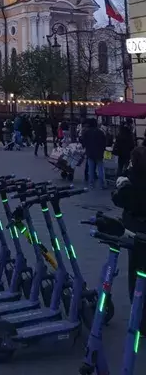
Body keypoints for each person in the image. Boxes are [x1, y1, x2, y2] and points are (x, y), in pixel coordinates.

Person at [112, 146, 146, 336]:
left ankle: (139, 318)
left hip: (135, 229)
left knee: (136, 272)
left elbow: (118, 199)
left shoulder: (130, 178)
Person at [81, 118, 107, 189]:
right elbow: (104, 142)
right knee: (100, 169)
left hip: (90, 153)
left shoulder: (87, 132)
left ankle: (91, 184)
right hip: (99, 153)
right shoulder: (100, 132)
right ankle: (102, 184)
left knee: (91, 170)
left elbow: (84, 142)